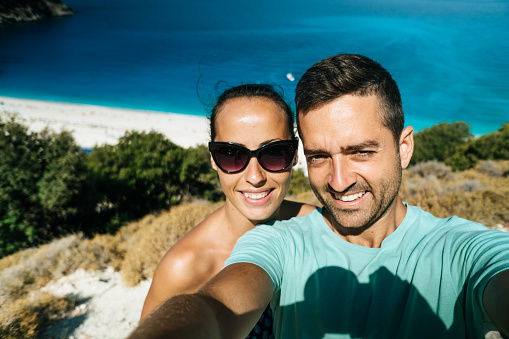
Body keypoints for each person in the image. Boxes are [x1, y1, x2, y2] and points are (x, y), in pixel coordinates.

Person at [128, 54, 509, 339]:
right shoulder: (278, 242)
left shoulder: (466, 250)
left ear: (404, 147)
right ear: (213, 159)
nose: (340, 182)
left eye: (361, 151)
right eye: (321, 156)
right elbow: (214, 310)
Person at [139, 83, 316, 337]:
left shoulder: (315, 226)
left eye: (274, 153)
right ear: (213, 158)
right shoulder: (185, 266)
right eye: (232, 154)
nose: (255, 177)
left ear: (294, 154)